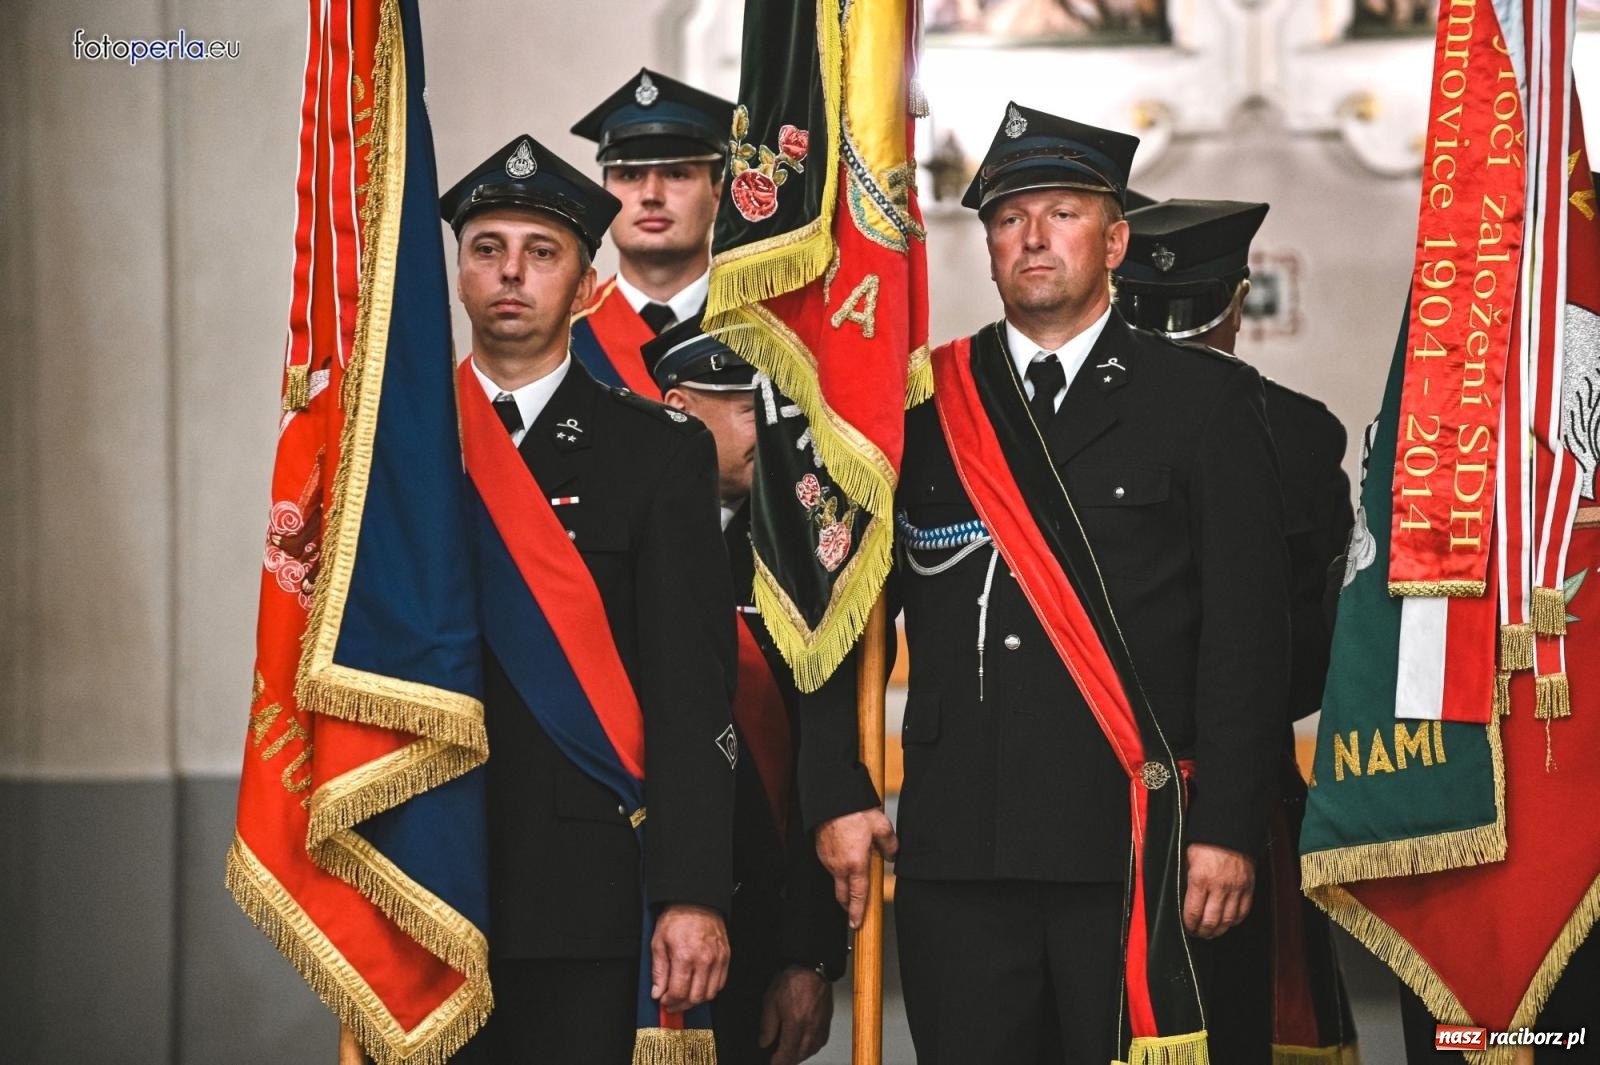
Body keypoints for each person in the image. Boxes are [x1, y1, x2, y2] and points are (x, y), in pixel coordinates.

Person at [798, 103, 1291, 1063]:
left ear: (1114, 241)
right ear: (984, 246)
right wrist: (835, 788)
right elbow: (836, 610)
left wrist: (1228, 826)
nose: (1033, 238)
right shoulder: (918, 405)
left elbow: (1246, 637)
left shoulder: (1204, 403)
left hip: (1129, 847)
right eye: (1009, 218)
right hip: (960, 847)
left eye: (1061, 213)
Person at [440, 133, 736, 1063]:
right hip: (433, 867)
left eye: (542, 251)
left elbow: (693, 692)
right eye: (488, 248)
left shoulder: (658, 451)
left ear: (584, 278)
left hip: (589, 883)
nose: (512, 275)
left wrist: (692, 893)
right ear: (457, 272)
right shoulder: (398, 448)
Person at [1116, 197, 1358, 1063]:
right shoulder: (1297, 432)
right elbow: (1312, 642)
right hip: (1237, 780)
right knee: (1234, 1018)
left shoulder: (1073, 424)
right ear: (1236, 302)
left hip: (1100, 780)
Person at [640, 318, 846, 1065]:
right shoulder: (625, 537)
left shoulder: (806, 558)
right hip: (630, 915)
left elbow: (824, 769)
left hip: (758, 923)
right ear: (678, 407)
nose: (769, 426)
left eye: (777, 405)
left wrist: (811, 957)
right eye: (740, 404)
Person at [568, 69, 735, 391]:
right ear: (604, 197)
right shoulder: (563, 334)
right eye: (629, 176)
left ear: (718, 196)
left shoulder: (765, 331)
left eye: (676, 174)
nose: (651, 196)